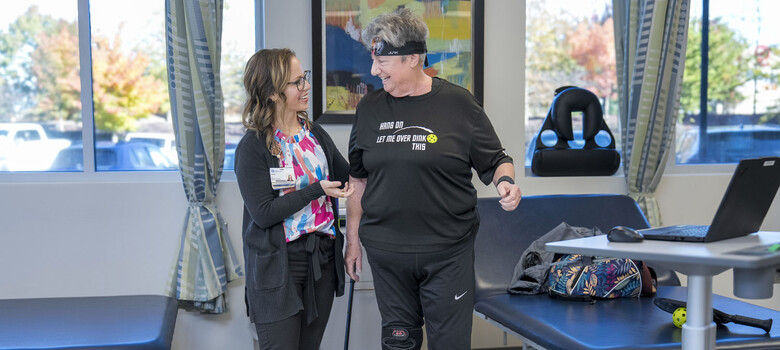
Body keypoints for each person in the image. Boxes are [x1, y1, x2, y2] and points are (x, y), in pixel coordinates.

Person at [345, 8, 522, 350]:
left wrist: (506, 183)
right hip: (387, 252)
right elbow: (358, 180)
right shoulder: (369, 109)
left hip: (447, 252)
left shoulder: (459, 105)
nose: (373, 70)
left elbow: (497, 160)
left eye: (382, 61)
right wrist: (352, 240)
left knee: (450, 344)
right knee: (398, 344)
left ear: (413, 58)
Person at [235, 48, 354, 350]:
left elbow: (349, 175)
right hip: (279, 267)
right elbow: (264, 213)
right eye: (297, 82)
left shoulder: (313, 134)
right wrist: (316, 190)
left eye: (305, 79)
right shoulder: (253, 147)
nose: (306, 87)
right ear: (273, 93)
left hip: (322, 260)